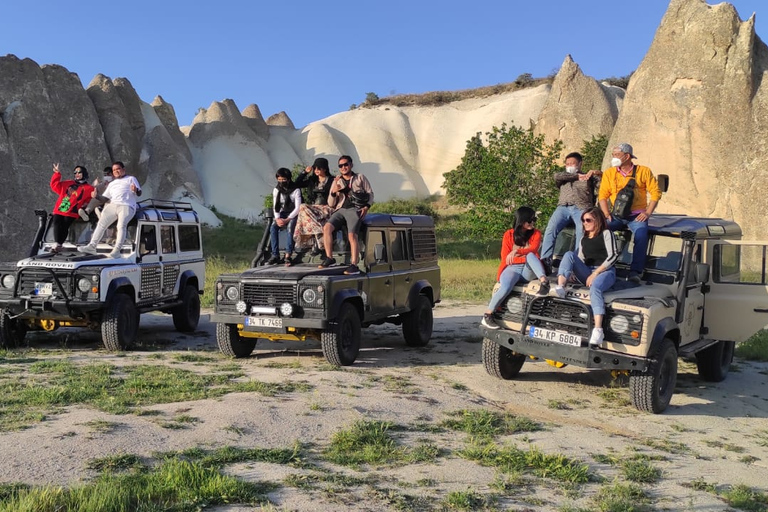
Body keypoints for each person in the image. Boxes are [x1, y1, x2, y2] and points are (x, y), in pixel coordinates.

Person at [598, 143, 662, 283]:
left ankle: (635, 272)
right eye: (613, 155)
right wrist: (606, 213)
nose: (614, 157)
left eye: (617, 155)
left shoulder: (643, 171)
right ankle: (598, 265)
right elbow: (602, 195)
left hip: (636, 215)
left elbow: (656, 193)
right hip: (616, 215)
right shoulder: (610, 173)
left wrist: (647, 213)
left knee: (641, 235)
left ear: (627, 156)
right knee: (599, 230)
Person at [554, 207, 618, 347]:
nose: (585, 223)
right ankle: (560, 286)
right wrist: (572, 273)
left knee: (595, 288)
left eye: (588, 220)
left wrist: (596, 273)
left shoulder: (607, 233)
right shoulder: (583, 238)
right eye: (583, 220)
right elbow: (580, 259)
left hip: (605, 272)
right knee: (569, 255)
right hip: (587, 271)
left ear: (597, 220)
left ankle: (598, 329)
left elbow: (613, 256)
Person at [481, 206, 549, 330]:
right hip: (512, 268)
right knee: (505, 286)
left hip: (529, 269)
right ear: (521, 221)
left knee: (530, 254)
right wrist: (521, 257)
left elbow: (533, 250)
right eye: (530, 220)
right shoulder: (509, 234)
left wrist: (518, 253)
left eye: (534, 220)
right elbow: (505, 257)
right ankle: (488, 315)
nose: (533, 223)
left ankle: (544, 282)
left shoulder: (536, 233)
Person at [540, 152, 601, 267]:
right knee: (550, 229)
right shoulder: (563, 177)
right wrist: (577, 176)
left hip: (582, 208)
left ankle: (577, 263)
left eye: (572, 163)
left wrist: (596, 172)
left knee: (581, 231)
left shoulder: (589, 178)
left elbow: (603, 182)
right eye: (567, 164)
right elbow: (556, 176)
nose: (569, 166)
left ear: (580, 164)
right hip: (563, 207)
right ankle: (545, 261)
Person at [319, 156, 374, 275]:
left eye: (346, 164)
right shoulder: (336, 180)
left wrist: (366, 207)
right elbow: (330, 203)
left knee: (352, 236)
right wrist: (334, 192)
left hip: (355, 209)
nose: (343, 167)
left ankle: (354, 264)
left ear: (351, 165)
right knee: (327, 228)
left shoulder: (360, 177)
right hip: (340, 209)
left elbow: (370, 194)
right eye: (340, 166)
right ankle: (330, 258)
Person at [78, 161, 142, 258]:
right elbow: (105, 198)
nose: (116, 171)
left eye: (118, 169)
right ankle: (92, 246)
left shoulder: (131, 179)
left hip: (126, 205)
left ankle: (116, 251)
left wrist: (135, 190)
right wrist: (96, 196)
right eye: (114, 170)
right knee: (101, 223)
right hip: (113, 204)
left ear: (123, 170)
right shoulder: (112, 184)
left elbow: (139, 192)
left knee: (121, 226)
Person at [49, 164, 95, 253]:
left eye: (79, 172)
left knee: (65, 225)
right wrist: (57, 174)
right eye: (75, 172)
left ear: (84, 173)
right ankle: (58, 244)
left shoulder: (89, 188)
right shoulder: (68, 183)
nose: (77, 174)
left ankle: (59, 244)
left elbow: (90, 200)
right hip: (63, 206)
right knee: (57, 222)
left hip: (73, 209)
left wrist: (84, 206)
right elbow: (55, 185)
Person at [293, 157, 334, 255]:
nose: (316, 171)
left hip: (327, 208)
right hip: (314, 209)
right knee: (303, 209)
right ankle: (318, 238)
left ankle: (305, 242)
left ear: (325, 169)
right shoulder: (312, 180)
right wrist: (304, 173)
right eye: (315, 168)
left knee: (302, 210)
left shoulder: (332, 180)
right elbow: (296, 184)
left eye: (319, 168)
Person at [268, 167, 302, 266]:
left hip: (293, 213)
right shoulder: (276, 190)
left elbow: (298, 207)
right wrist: (278, 218)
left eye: (283, 179)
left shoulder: (295, 190)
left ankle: (288, 255)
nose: (281, 182)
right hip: (282, 213)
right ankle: (275, 255)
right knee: (273, 228)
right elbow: (276, 206)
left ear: (288, 179)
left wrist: (288, 219)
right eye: (279, 180)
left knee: (290, 228)